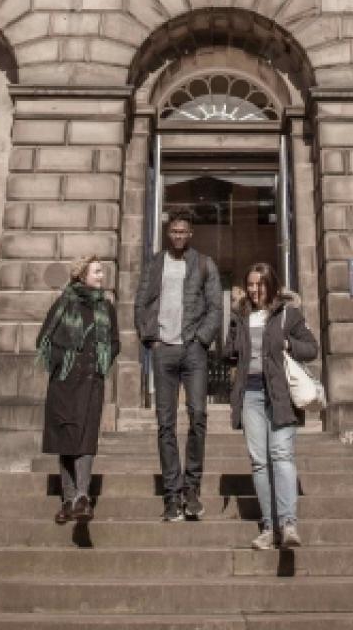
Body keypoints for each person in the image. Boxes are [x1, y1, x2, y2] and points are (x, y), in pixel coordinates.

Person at [133, 210, 223, 522]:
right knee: (166, 423)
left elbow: (215, 307)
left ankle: (191, 488)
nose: (179, 236)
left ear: (191, 233)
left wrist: (200, 339)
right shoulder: (154, 264)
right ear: (167, 233)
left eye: (183, 231)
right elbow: (141, 303)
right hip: (164, 350)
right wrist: (151, 340)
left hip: (193, 349)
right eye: (174, 231)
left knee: (198, 415)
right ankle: (172, 494)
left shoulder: (204, 264)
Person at [226, 261, 318, 551]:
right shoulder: (240, 315)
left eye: (260, 284)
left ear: (271, 284)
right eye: (250, 284)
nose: (254, 290)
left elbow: (311, 348)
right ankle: (269, 528)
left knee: (282, 455)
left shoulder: (288, 314)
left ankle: (288, 524)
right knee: (259, 462)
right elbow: (229, 352)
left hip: (279, 394)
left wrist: (289, 345)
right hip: (250, 394)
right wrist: (233, 348)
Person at [36, 255, 119, 523]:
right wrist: (65, 360)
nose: (102, 276)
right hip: (64, 382)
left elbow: (115, 342)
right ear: (82, 275)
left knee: (85, 437)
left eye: (101, 271)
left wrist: (100, 362)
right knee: (66, 439)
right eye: (97, 272)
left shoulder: (106, 307)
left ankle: (82, 497)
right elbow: (44, 339)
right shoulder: (63, 303)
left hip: (92, 381)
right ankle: (68, 499)